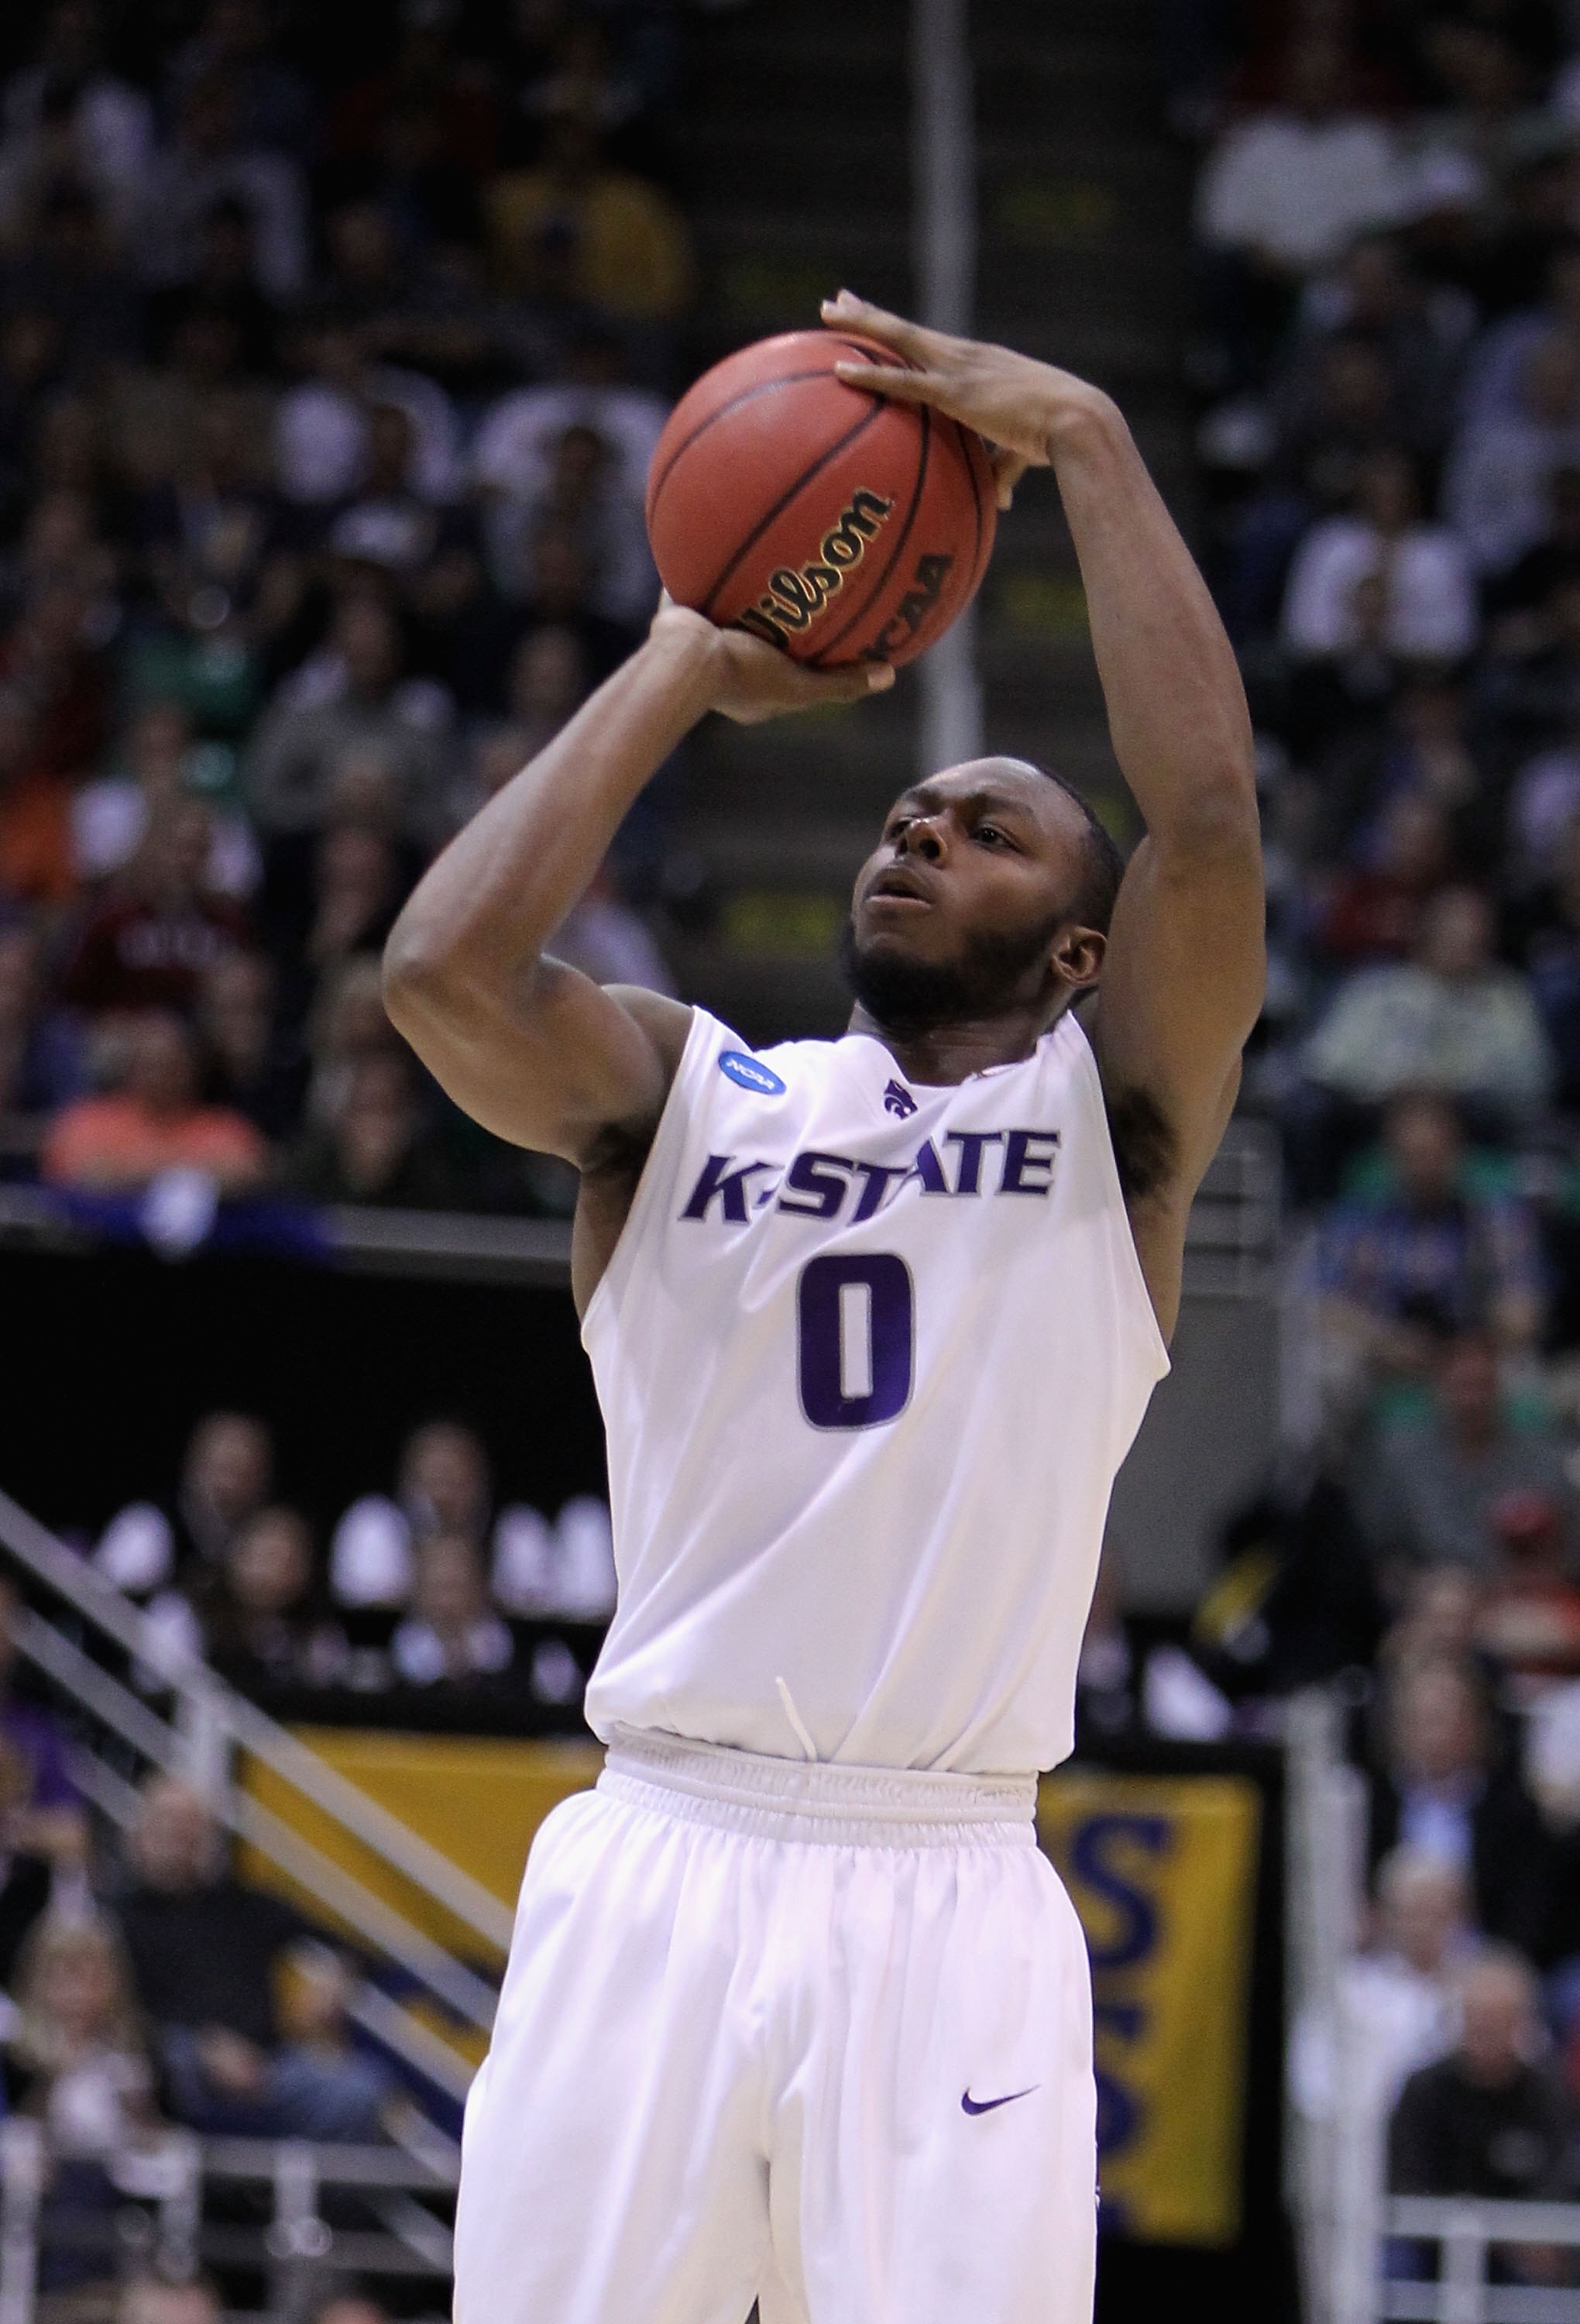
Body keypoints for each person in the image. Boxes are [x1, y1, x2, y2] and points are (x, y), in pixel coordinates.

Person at [383, 292, 1264, 2324]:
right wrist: (682, 662)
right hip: (658, 1850)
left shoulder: (1111, 1126)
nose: (919, 830)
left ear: (1079, 952)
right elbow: (440, 978)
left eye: (988, 831)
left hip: (945, 1886)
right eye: (902, 816)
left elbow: (1211, 823)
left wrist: (1091, 439)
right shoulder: (685, 1095)